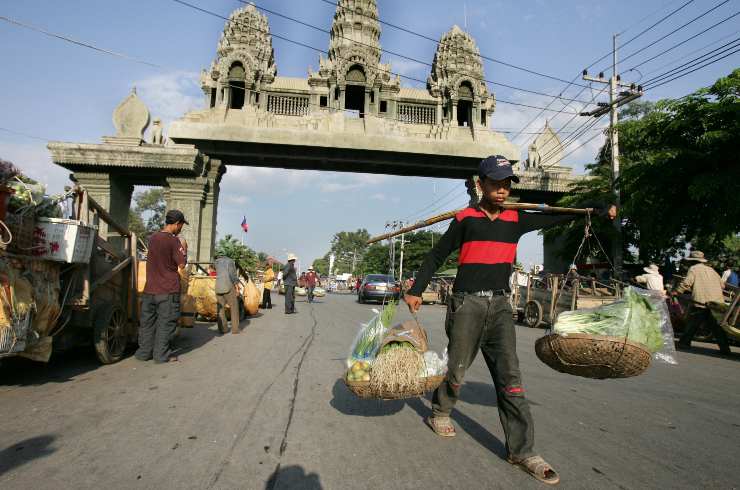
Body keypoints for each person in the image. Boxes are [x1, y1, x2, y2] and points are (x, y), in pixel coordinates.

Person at [403, 155, 617, 486]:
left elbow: (559, 217)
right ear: (481, 184)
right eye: (495, 184)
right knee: (457, 369)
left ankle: (522, 451)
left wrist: (596, 207)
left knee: (510, 379)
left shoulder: (517, 219)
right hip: (467, 305)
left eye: (506, 185)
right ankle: (441, 412)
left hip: (502, 306)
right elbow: (436, 255)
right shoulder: (465, 219)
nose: (502, 190)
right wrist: (416, 289)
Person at [136, 209, 188, 363]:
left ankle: (144, 353)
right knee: (166, 323)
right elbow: (182, 264)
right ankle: (161, 355)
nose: (181, 229)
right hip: (168, 290)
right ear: (177, 224)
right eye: (181, 226)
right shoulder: (173, 241)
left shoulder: (153, 238)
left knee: (147, 323)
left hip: (150, 289)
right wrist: (183, 250)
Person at [675, 251, 731, 354]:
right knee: (716, 326)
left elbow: (687, 283)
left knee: (693, 322)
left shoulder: (693, 269)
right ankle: (725, 348)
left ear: (693, 261)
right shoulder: (712, 270)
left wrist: (677, 291)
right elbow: (722, 285)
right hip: (716, 302)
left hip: (702, 301)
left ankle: (684, 343)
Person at [214, 249, 241, 335]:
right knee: (234, 307)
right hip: (228, 286)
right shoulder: (230, 261)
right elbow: (232, 275)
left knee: (220, 309)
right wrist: (237, 286)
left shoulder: (216, 262)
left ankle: (223, 329)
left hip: (218, 287)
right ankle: (235, 329)